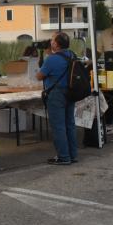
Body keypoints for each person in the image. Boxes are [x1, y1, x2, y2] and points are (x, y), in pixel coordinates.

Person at [36, 32, 78, 165]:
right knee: (69, 124)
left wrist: (48, 55)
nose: (51, 42)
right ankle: (73, 155)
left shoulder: (52, 59)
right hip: (70, 92)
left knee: (58, 126)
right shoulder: (72, 55)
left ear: (56, 43)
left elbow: (39, 76)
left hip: (56, 94)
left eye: (53, 40)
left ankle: (64, 157)